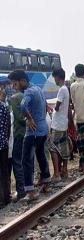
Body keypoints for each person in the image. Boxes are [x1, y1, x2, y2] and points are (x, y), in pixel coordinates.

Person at [8, 70, 51, 201]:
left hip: (33, 132)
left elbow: (22, 106)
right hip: (43, 129)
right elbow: (45, 106)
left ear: (22, 81)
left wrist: (30, 119)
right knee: (41, 154)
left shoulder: (28, 92)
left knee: (25, 160)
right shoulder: (37, 88)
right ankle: (46, 182)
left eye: (15, 84)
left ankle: (30, 191)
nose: (14, 87)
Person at [48, 68, 70, 182]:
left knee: (53, 147)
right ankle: (64, 170)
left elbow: (57, 106)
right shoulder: (66, 89)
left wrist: (53, 109)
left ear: (58, 77)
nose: (54, 80)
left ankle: (57, 174)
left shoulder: (61, 90)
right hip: (63, 123)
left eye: (54, 77)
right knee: (63, 146)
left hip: (57, 124)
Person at [9, 90, 26, 200]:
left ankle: (21, 191)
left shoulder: (15, 98)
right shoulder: (27, 95)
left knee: (17, 163)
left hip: (19, 134)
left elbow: (19, 118)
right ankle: (28, 187)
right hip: (27, 133)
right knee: (25, 161)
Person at [0, 89, 11, 206]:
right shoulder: (4, 107)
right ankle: (6, 197)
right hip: (3, 143)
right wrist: (5, 139)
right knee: (5, 171)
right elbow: (8, 125)